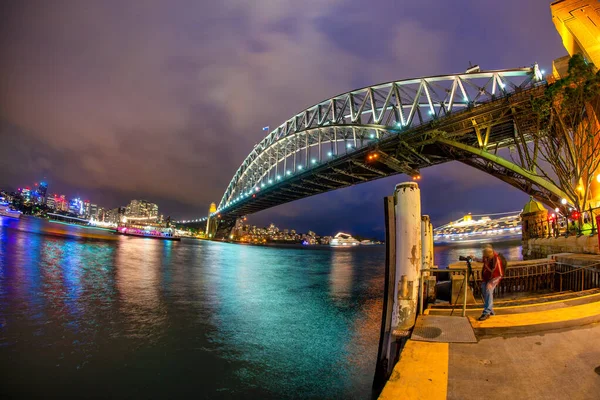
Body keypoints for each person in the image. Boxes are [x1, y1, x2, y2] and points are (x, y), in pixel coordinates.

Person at [471, 244, 504, 321]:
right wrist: (475, 258)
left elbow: (495, 271)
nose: (484, 257)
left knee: (488, 289)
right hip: (487, 277)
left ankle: (486, 312)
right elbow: (483, 261)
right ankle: (490, 310)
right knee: (484, 290)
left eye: (485, 255)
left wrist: (486, 264)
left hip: (495, 277)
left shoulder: (496, 259)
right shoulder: (486, 257)